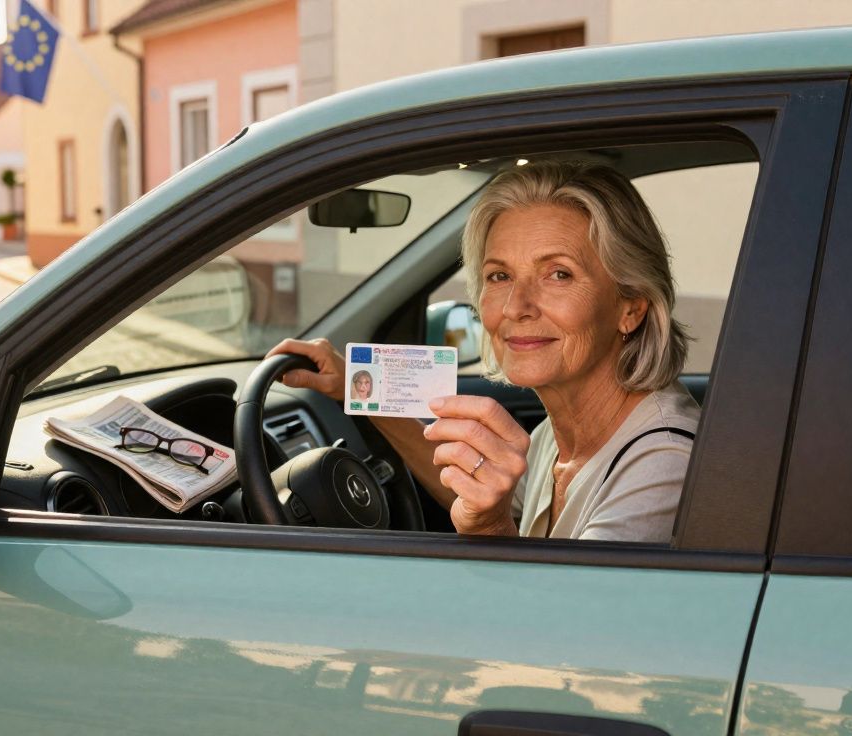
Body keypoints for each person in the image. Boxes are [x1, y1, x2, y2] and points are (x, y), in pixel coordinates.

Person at [270, 161, 698, 543]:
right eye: (499, 276)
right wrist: (358, 390)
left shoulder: (662, 464)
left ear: (632, 307)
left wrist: (492, 532)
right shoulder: (559, 432)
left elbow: (564, 625)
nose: (516, 306)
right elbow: (474, 493)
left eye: (559, 274)